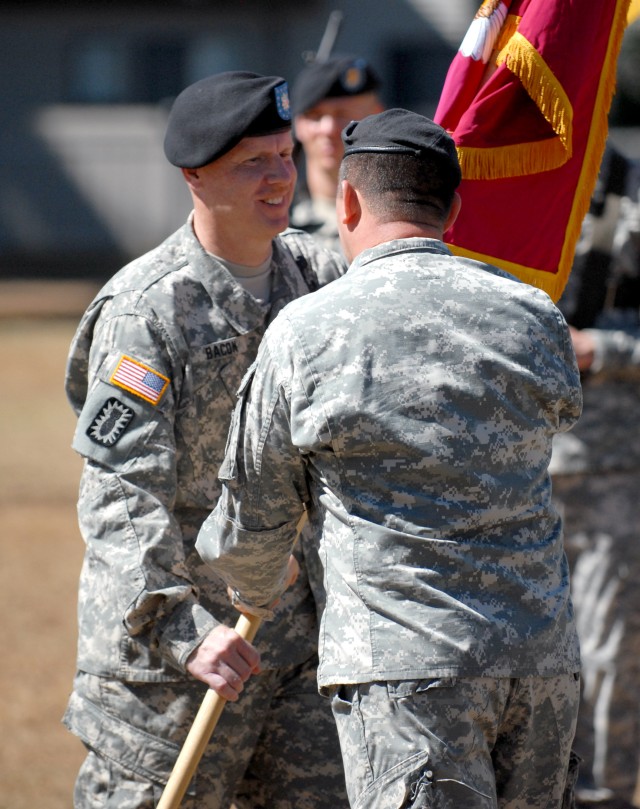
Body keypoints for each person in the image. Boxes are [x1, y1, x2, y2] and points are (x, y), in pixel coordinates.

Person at [196, 108, 584, 809]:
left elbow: (255, 516)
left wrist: (251, 583)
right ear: (454, 209)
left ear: (346, 201)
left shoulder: (306, 331)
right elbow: (556, 418)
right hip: (540, 662)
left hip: (408, 673)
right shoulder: (533, 314)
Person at [62, 71, 348, 809]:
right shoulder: (146, 313)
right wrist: (188, 630)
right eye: (253, 161)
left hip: (295, 653)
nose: (280, 175)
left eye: (284, 155)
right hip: (173, 665)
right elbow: (121, 497)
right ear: (194, 173)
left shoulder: (320, 279)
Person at [550, 143, 640, 809]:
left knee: (610, 655)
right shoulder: (506, 177)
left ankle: (602, 796)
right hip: (509, 471)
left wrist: (601, 349)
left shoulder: (630, 190)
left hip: (611, 470)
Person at [289, 54, 384, 252]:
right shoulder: (278, 222)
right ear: (298, 124)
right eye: (314, 116)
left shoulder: (399, 220)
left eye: (342, 115)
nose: (328, 128)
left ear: (376, 116)